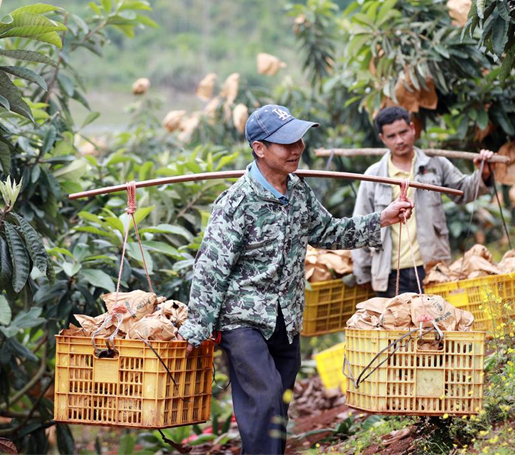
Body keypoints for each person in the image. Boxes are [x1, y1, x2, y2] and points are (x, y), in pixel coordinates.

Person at [177, 104, 413, 455]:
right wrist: (198, 328)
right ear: (259, 148)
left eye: (299, 140)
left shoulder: (299, 192)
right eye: (286, 143)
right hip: (243, 321)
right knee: (265, 396)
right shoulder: (237, 203)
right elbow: (211, 269)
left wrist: (382, 218)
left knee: (278, 406)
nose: (297, 149)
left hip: (286, 318)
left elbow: (327, 231)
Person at [352, 106, 494, 297]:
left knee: (438, 315)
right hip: (390, 273)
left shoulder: (435, 164)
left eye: (403, 132)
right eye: (392, 136)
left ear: (412, 129)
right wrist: (363, 272)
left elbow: (464, 191)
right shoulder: (373, 175)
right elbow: (360, 225)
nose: (399, 140)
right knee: (397, 317)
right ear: (382, 139)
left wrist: (483, 173)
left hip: (433, 268)